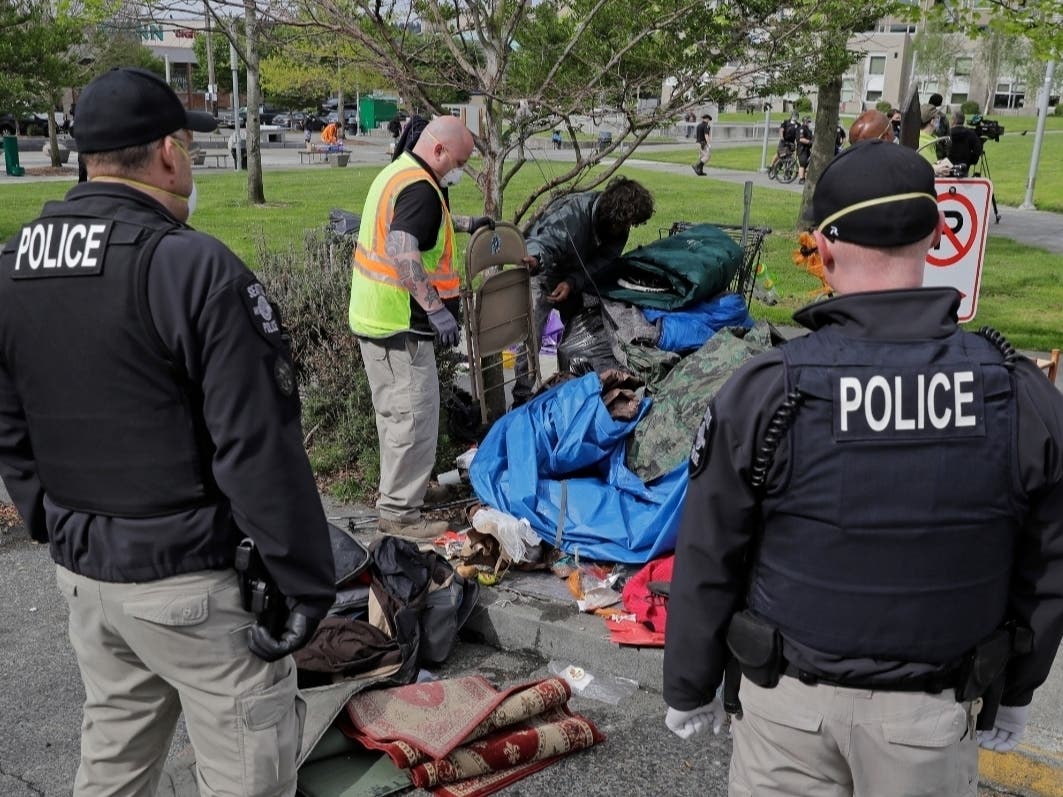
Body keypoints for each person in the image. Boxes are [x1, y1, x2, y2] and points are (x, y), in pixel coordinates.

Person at [662, 140, 1063, 797]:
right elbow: (1046, 566)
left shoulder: (767, 387)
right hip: (929, 718)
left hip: (785, 710)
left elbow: (709, 551)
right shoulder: (1016, 392)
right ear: (936, 237)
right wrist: (1015, 692)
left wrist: (688, 683)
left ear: (820, 250)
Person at [0, 67, 336, 796]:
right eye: (187, 144)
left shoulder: (15, 264)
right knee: (248, 774)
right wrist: (303, 581)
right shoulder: (191, 266)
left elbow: (10, 419)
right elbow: (256, 443)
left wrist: (50, 522)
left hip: (88, 573)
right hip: (191, 583)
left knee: (113, 765)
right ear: (165, 154)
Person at [348, 115, 494, 540]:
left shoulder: (402, 173)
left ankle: (404, 494)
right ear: (439, 151)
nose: (461, 169)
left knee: (399, 417)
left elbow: (420, 225)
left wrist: (467, 224)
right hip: (399, 325)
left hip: (379, 318)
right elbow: (403, 247)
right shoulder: (421, 190)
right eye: (460, 161)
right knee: (412, 419)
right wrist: (436, 309)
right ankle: (399, 515)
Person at [511, 176, 655, 406]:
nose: (626, 228)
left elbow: (602, 261)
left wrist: (572, 282)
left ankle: (569, 382)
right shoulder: (573, 214)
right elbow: (547, 241)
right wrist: (536, 259)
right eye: (624, 223)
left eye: (631, 224)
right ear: (611, 213)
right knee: (532, 334)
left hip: (575, 277)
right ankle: (521, 398)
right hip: (543, 270)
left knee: (581, 332)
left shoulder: (618, 229)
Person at [947, 110, 983, 176]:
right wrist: (970, 161)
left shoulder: (946, 134)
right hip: (964, 168)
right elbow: (978, 150)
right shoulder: (971, 134)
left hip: (947, 169)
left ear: (953, 121)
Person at [796, 114, 814, 183]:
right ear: (804, 121)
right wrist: (810, 142)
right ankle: (801, 179)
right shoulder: (802, 129)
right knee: (802, 163)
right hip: (802, 148)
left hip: (807, 149)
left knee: (807, 163)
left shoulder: (808, 130)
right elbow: (801, 139)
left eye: (809, 121)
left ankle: (804, 176)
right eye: (808, 121)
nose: (809, 123)